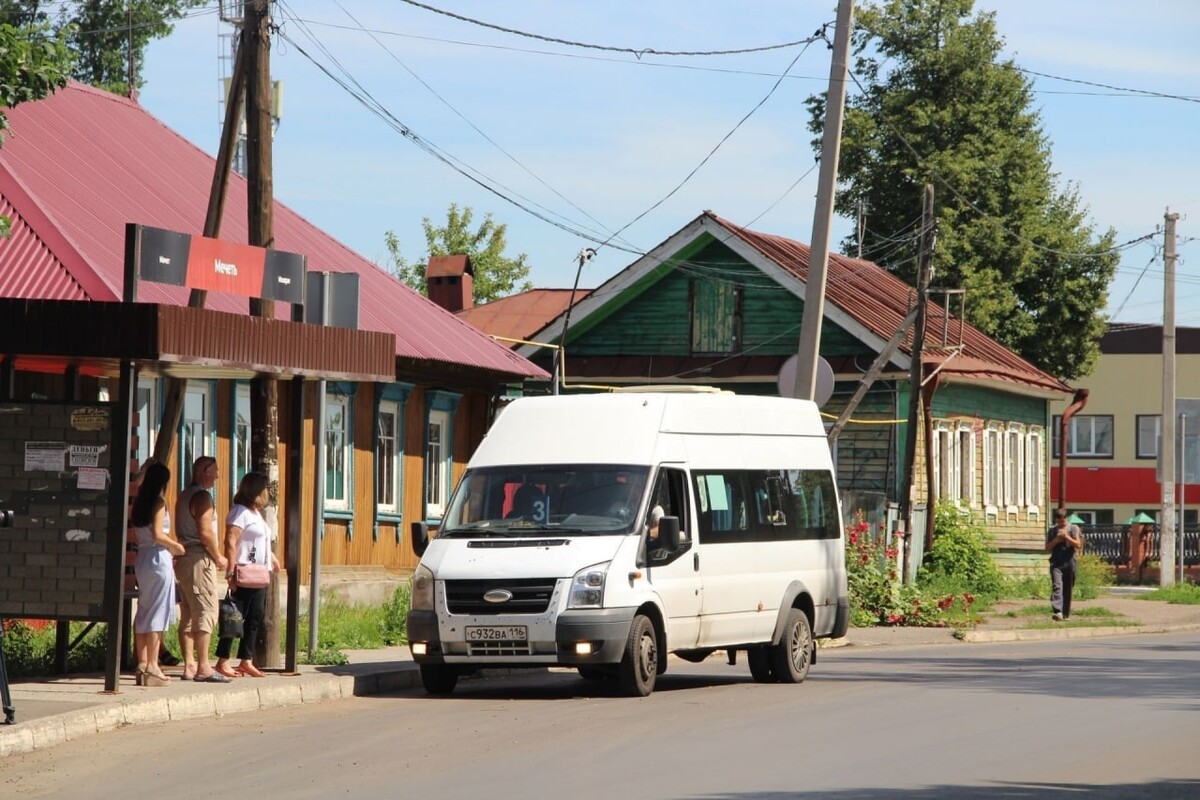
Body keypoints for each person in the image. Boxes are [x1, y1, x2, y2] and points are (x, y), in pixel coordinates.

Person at [215, 472, 277, 678]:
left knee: (254, 618)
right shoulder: (240, 512)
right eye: (264, 488)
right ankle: (223, 660)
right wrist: (230, 571)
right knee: (235, 616)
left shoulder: (255, 513)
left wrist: (272, 558)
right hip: (243, 572)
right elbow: (230, 542)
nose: (267, 492)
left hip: (259, 573)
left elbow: (260, 541)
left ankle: (246, 660)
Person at [174, 456, 230, 682]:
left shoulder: (183, 494)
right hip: (199, 557)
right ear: (204, 471)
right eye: (215, 471)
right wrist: (218, 557)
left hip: (184, 558)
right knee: (206, 610)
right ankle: (204, 666)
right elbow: (206, 532)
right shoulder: (203, 497)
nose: (217, 476)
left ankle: (189, 664)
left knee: (188, 612)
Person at [130, 461, 186, 686]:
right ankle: (153, 666)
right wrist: (177, 547)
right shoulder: (158, 502)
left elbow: (142, 534)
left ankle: (142, 664)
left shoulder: (139, 503)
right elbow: (158, 534)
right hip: (158, 557)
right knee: (158, 611)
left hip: (142, 558)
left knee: (144, 608)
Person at [1046, 509, 1084, 621]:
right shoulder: (1052, 531)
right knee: (1057, 585)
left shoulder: (1073, 528)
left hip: (1069, 562)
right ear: (1056, 520)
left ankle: (1065, 614)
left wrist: (1066, 537)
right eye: (1059, 522)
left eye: (1063, 522)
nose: (1061, 524)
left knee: (1068, 588)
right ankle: (1057, 611)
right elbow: (1047, 547)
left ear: (1066, 519)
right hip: (1056, 563)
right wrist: (1057, 540)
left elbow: (1078, 544)